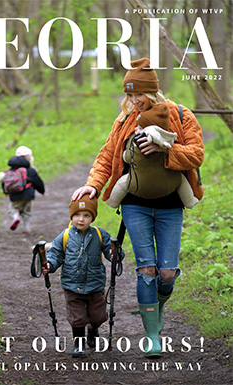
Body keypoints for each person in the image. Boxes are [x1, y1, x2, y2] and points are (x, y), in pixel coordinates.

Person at [72, 58, 204, 358]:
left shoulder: (181, 116)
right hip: (135, 204)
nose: (133, 101)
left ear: (153, 92)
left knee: (167, 273)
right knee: (146, 268)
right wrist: (93, 183)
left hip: (171, 205)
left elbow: (196, 154)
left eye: (138, 95)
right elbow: (107, 156)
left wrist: (165, 147)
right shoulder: (124, 121)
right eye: (129, 95)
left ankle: (156, 305)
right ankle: (152, 334)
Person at [42, 194, 124, 357]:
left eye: (86, 215)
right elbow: (55, 254)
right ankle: (78, 344)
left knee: (99, 316)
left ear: (92, 218)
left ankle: (93, 329)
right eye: (77, 215)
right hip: (72, 285)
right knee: (77, 318)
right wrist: (49, 265)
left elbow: (111, 251)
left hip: (95, 285)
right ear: (71, 216)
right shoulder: (64, 236)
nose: (81, 219)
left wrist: (115, 254)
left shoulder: (100, 235)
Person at [105, 101, 199, 209]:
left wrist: (168, 151)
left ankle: (112, 202)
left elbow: (127, 158)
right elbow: (106, 156)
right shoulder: (170, 138)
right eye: (130, 95)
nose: (136, 129)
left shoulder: (137, 144)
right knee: (181, 180)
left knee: (123, 183)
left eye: (139, 128)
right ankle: (190, 201)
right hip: (152, 196)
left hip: (164, 202)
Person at [0, 146, 45, 234]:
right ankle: (27, 228)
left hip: (15, 195)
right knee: (27, 212)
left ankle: (15, 217)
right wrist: (42, 191)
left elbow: (5, 183)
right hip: (28, 194)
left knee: (13, 209)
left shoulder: (10, 171)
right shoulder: (30, 170)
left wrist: (6, 192)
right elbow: (38, 182)